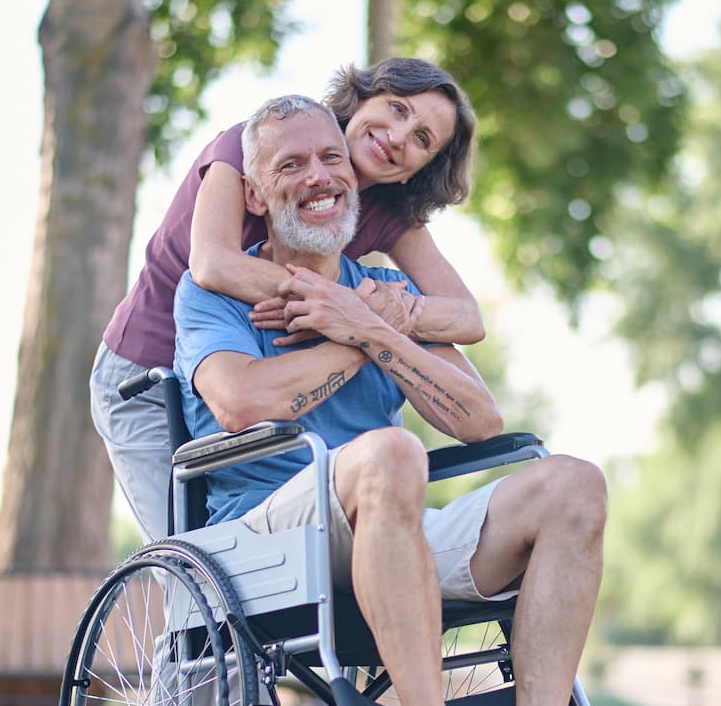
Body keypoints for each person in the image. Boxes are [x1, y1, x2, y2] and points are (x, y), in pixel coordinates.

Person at [173, 94, 673, 706]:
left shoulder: (389, 294)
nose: (319, 176)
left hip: (387, 523)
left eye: (331, 159)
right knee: (391, 452)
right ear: (253, 193)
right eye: (290, 165)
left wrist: (371, 323)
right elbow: (241, 401)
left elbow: (478, 417)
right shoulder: (214, 288)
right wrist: (356, 335)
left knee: (571, 483)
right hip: (264, 533)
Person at [93, 57, 485, 542]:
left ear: (422, 169)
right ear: (360, 100)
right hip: (148, 378)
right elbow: (214, 264)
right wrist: (351, 309)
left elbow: (467, 317)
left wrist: (381, 318)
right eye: (397, 109)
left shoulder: (388, 211)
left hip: (261, 377)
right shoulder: (257, 145)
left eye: (423, 139)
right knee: (191, 555)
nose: (400, 135)